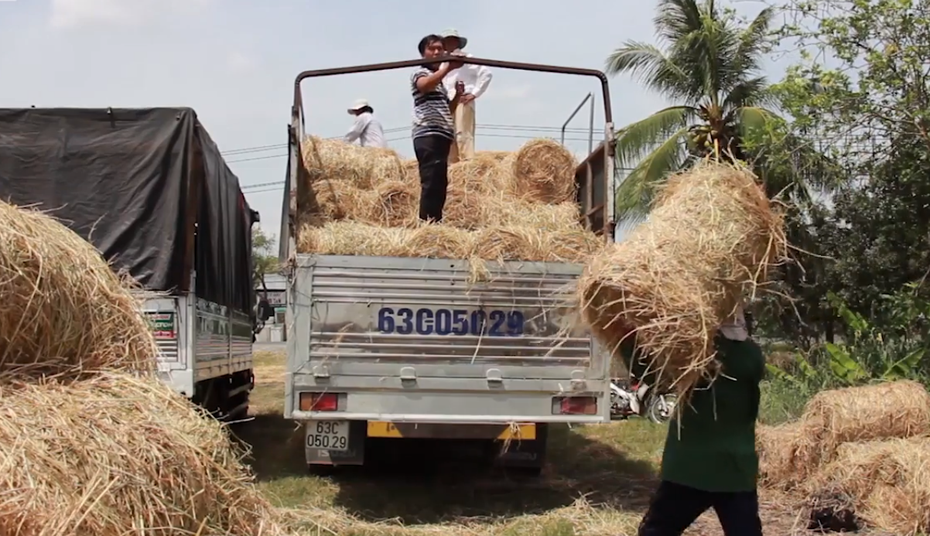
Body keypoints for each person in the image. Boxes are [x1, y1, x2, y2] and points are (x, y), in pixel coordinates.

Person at [620, 303, 765, 536]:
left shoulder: (696, 352)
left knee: (657, 531)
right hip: (736, 467)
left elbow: (655, 377)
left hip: (691, 466)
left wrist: (629, 340)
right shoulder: (751, 355)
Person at [411, 34, 462, 222]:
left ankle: (434, 221)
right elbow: (424, 86)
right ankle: (427, 223)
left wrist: (457, 95)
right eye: (432, 49)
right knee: (431, 180)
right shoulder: (421, 73)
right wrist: (447, 67)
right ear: (423, 54)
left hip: (441, 135)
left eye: (440, 49)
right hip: (428, 134)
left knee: (440, 181)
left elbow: (448, 109)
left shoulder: (439, 83)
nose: (437, 52)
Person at [440, 28, 492, 163]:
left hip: (462, 99)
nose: (449, 44)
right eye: (446, 41)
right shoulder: (443, 62)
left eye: (451, 40)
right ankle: (453, 167)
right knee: (448, 136)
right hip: (447, 102)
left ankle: (467, 165)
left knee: (462, 134)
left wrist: (474, 93)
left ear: (457, 42)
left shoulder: (467, 58)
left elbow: (486, 74)